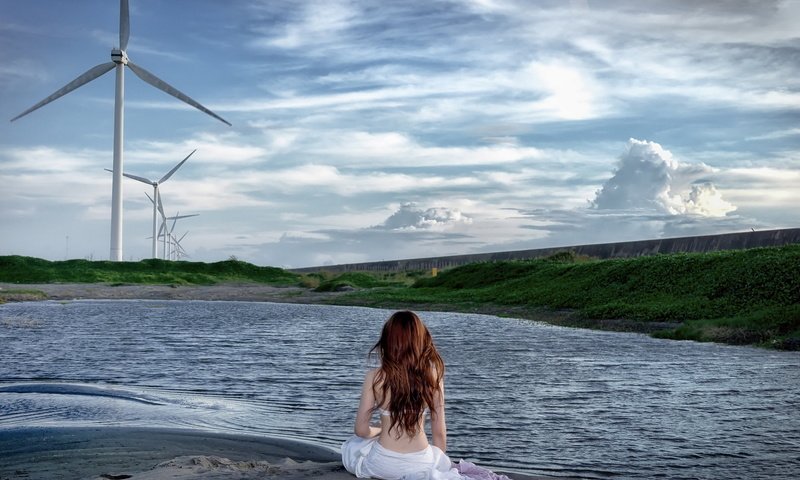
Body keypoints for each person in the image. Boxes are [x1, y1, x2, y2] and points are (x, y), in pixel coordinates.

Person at [341, 310, 460, 479]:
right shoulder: (433, 376)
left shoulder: (375, 377)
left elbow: (361, 430)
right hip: (421, 463)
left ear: (387, 341)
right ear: (420, 340)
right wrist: (438, 463)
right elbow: (439, 432)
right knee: (436, 456)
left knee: (352, 446)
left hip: (382, 464)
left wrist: (379, 429)